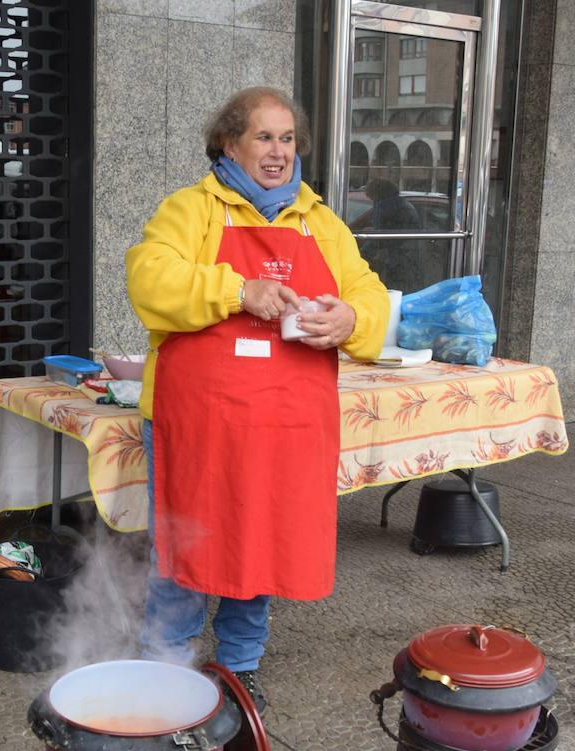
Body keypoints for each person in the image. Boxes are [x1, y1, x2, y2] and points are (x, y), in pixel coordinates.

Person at [125, 87, 390, 712]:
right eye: (264, 137)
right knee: (184, 545)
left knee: (258, 546)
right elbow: (148, 275)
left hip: (287, 423)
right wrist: (236, 290)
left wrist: (351, 319)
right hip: (198, 420)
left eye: (288, 138)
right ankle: (165, 664)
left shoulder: (321, 221)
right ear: (229, 143)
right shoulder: (192, 209)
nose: (278, 152)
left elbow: (372, 294)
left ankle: (239, 671)